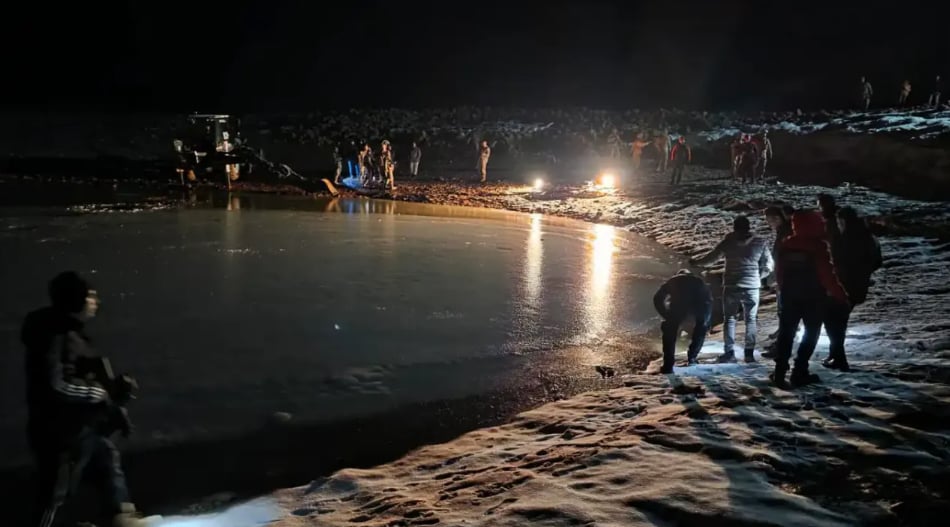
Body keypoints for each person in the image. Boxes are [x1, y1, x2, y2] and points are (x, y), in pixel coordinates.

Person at [23, 272, 147, 527]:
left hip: (77, 429)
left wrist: (113, 401)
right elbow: (54, 385)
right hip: (57, 434)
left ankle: (122, 515)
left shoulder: (70, 333)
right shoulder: (55, 336)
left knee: (106, 458)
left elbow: (84, 374)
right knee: (55, 494)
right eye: (90, 296)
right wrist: (95, 393)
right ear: (75, 300)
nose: (95, 301)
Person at [771, 211, 850, 388]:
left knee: (786, 333)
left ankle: (779, 372)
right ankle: (800, 370)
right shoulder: (818, 246)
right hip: (813, 298)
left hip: (790, 296)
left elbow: (779, 272)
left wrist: (783, 289)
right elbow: (827, 275)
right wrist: (840, 294)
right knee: (811, 333)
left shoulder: (786, 245)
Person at [692, 215, 773, 363]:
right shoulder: (760, 242)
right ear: (749, 227)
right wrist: (757, 277)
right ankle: (749, 354)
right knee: (751, 319)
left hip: (731, 285)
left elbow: (711, 259)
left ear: (734, 228)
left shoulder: (728, 243)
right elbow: (769, 265)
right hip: (752, 286)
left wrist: (696, 263)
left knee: (729, 319)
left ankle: (729, 353)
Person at [823, 207, 883, 371]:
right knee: (838, 322)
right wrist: (864, 273)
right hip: (859, 286)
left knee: (834, 322)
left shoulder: (843, 239)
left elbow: (834, 262)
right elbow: (878, 262)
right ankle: (835, 354)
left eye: (840, 221)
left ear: (843, 221)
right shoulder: (869, 238)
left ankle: (839, 358)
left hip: (842, 286)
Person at [653, 270, 713, 374]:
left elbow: (657, 298)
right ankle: (692, 358)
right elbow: (708, 301)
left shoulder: (673, 280)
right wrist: (704, 321)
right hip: (699, 308)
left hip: (678, 307)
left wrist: (665, 315)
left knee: (669, 331)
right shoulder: (699, 281)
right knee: (700, 331)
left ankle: (668, 365)